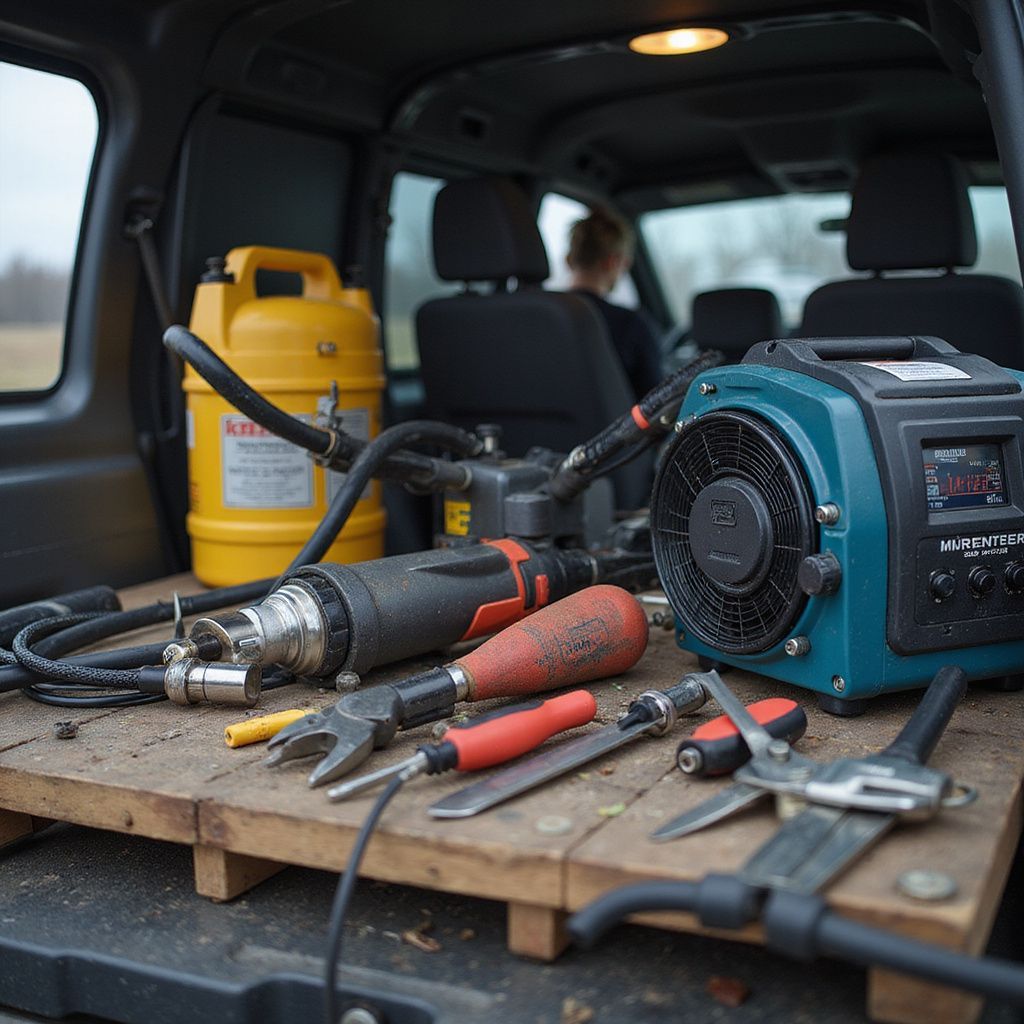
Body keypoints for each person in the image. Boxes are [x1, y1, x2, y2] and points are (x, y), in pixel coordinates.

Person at [566, 208, 663, 399]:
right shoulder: (629, 325)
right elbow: (657, 405)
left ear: (569, 260)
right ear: (613, 262)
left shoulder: (535, 321)